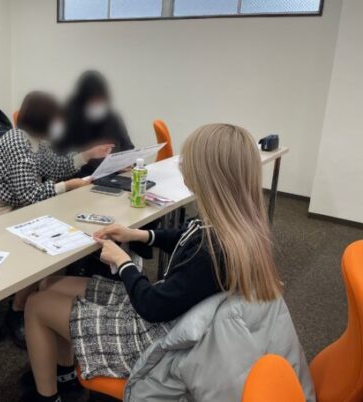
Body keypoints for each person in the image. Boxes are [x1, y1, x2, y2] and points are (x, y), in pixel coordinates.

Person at [21, 124, 285, 402]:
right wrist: (140, 235)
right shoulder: (235, 227)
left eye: (188, 163)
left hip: (153, 340)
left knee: (37, 304)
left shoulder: (211, 253)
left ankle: (47, 397)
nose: (183, 168)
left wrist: (124, 262)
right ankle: (64, 376)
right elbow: (187, 236)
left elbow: (152, 306)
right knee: (51, 284)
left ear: (209, 177)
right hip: (171, 316)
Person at [0, 91, 113, 347]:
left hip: (8, 202)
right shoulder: (18, 142)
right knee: (35, 247)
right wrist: (66, 186)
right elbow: (29, 195)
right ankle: (18, 310)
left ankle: (33, 299)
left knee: (50, 237)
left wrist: (87, 154)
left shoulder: (35, 141)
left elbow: (55, 167)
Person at [57, 70, 134, 178]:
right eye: (93, 100)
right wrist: (94, 156)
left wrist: (125, 162)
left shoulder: (113, 118)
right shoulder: (68, 118)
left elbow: (128, 146)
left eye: (100, 99)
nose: (97, 104)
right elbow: (60, 156)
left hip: (114, 175)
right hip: (82, 178)